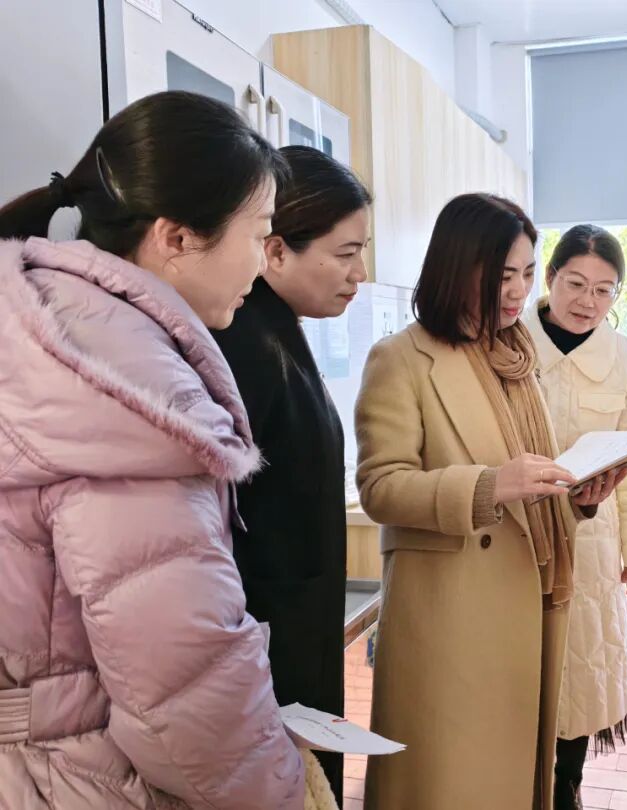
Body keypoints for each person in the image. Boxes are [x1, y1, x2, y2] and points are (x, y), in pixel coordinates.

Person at [0, 91, 307, 808]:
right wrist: (282, 789)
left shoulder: (41, 325)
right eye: (259, 234)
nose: (262, 264)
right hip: (75, 778)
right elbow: (189, 703)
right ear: (175, 238)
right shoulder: (131, 391)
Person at [355, 193, 626, 810]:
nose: (518, 292)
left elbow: (529, 487)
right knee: (452, 781)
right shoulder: (401, 358)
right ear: (458, 266)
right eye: (504, 275)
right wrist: (486, 486)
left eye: (527, 274)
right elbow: (380, 486)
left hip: (529, 594)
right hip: (451, 611)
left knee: (515, 773)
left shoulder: (516, 357)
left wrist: (577, 499)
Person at [212, 144, 373, 806]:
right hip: (265, 649)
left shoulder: (276, 329)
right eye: (345, 253)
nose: (360, 273)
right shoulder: (243, 343)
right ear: (274, 251)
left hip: (292, 631)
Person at [522, 225, 627, 809]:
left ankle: (566, 785)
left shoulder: (626, 357)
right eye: (575, 284)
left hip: (594, 538)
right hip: (517, 529)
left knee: (581, 667)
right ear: (550, 277)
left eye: (604, 290)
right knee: (521, 663)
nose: (587, 301)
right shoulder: (509, 341)